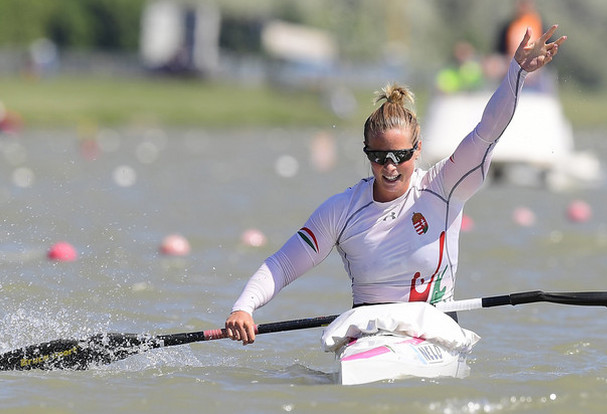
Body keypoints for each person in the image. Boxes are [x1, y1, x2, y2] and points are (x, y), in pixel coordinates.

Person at [225, 25, 566, 345]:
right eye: (378, 155)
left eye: (400, 155)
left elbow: (487, 130)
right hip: (368, 334)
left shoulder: (444, 187)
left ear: (418, 149)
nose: (389, 167)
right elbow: (282, 264)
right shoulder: (340, 211)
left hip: (434, 331)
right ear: (366, 152)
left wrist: (516, 73)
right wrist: (244, 307)